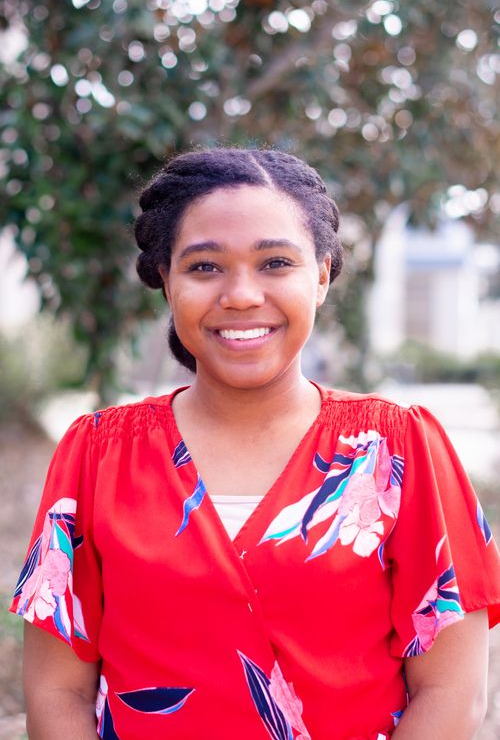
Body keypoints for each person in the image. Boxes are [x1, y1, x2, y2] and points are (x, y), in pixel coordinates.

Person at [10, 147, 500, 740]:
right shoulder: (97, 455)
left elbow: (451, 691)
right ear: (166, 280)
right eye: (205, 267)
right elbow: (57, 690)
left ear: (322, 276)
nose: (241, 295)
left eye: (275, 263)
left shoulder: (399, 448)